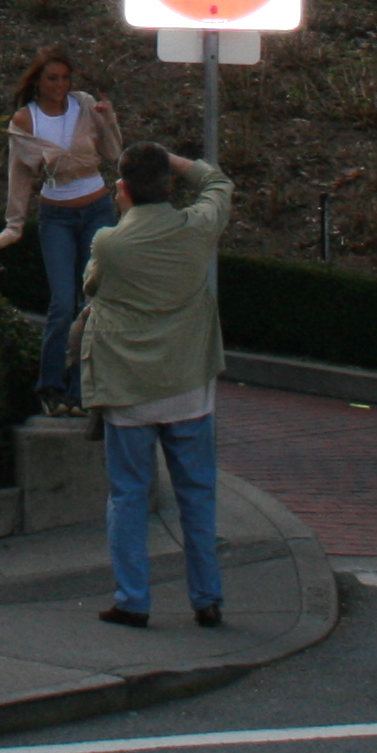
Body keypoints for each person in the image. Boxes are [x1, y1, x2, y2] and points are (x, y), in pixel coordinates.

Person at [80, 147, 237, 631]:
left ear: (122, 188)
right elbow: (219, 184)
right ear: (168, 184)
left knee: (128, 495)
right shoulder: (197, 228)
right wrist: (174, 159)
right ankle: (207, 599)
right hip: (188, 385)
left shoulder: (109, 243)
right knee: (197, 493)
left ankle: (133, 600)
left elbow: (92, 287)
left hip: (128, 388)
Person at [0, 51, 126, 417]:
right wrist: (13, 225)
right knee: (62, 304)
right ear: (37, 81)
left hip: (97, 208)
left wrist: (108, 118)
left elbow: (114, 154)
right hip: (57, 216)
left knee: (91, 302)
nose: (60, 85)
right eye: (52, 78)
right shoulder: (25, 120)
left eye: (65, 78)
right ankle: (50, 387)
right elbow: (20, 175)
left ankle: (81, 389)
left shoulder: (85, 105)